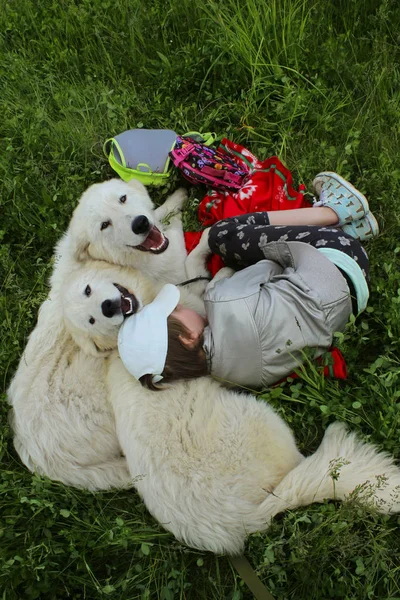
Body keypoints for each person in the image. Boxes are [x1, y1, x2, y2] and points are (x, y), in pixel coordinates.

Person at [118, 172, 376, 390]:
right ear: (188, 339)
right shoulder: (220, 298)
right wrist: (223, 275)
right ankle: (335, 212)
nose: (183, 306)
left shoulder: (233, 379)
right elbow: (269, 263)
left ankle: (350, 229)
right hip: (338, 256)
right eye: (175, 310)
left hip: (355, 299)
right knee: (221, 235)